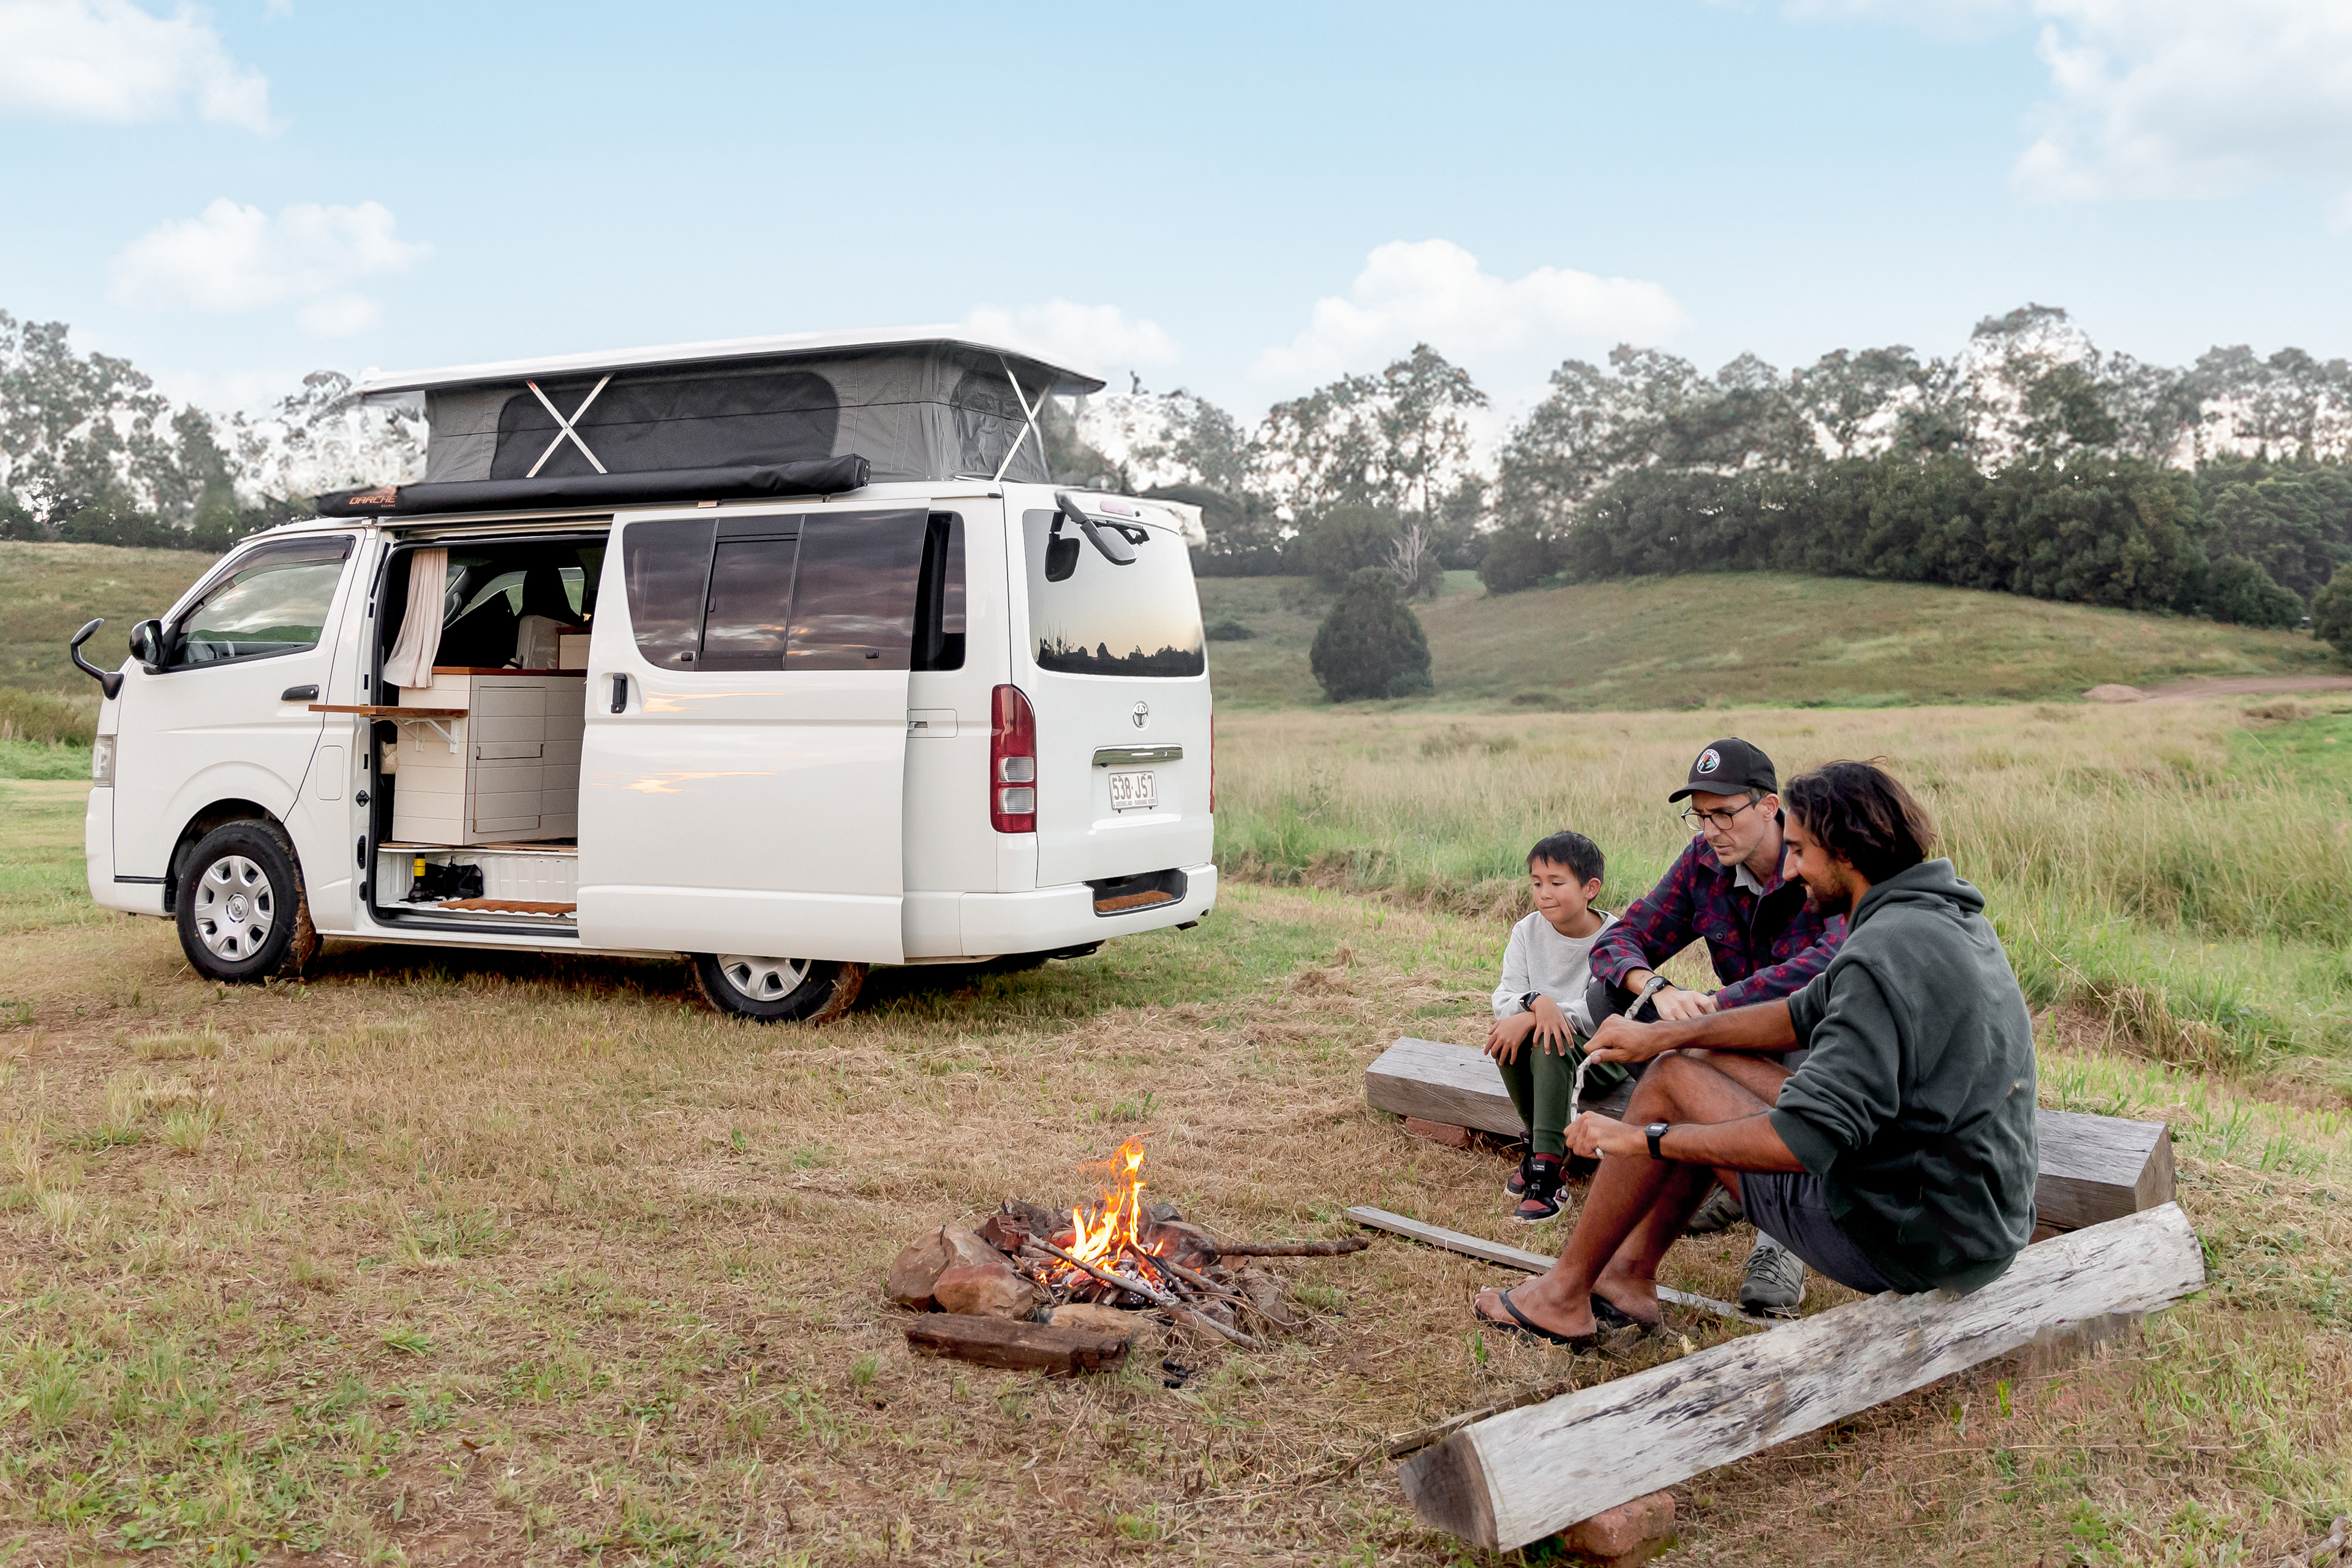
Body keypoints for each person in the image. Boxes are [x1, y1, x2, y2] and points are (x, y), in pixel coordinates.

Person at [1469, 761, 2038, 1346]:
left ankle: (1565, 1294)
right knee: (1686, 1062)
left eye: (1799, 851)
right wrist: (1667, 1034)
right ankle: (1627, 1280)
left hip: (1912, 1240)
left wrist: (1643, 1139)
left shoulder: (1880, 956)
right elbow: (1797, 1014)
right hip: (1969, 1217)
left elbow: (1802, 1138)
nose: (1790, 869)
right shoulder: (1938, 915)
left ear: (1843, 851)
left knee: (1670, 1088)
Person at [1586, 736, 1845, 1314]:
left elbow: (1830, 966)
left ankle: (1781, 1242)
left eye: (1724, 813)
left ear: (1769, 807)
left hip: (1802, 1040)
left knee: (1816, 1026)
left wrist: (1713, 1006)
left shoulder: (1817, 866)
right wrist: (1660, 989)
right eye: (1700, 816)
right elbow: (1618, 941)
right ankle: (1716, 1162)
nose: (1710, 830)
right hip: (1723, 1033)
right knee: (1608, 997)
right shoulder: (1701, 862)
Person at [1487, 831, 1622, 1223]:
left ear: (1590, 889)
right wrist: (1534, 1004)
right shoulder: (1526, 932)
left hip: (1605, 1055)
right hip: (1548, 1050)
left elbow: (1600, 1011)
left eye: (1556, 883)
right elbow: (1504, 998)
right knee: (1504, 1038)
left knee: (1548, 1038)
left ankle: (1548, 1176)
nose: (1544, 893)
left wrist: (1540, 1014)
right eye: (1537, 883)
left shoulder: (1615, 939)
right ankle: (1540, 1150)